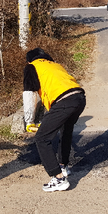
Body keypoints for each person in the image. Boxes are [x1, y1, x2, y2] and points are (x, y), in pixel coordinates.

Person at [23, 48, 86, 192]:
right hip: (79, 97)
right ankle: (63, 167)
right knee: (66, 131)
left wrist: (29, 121)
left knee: (41, 138)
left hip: (64, 101)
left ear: (29, 60)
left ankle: (58, 178)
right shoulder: (56, 65)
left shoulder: (31, 66)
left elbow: (29, 94)